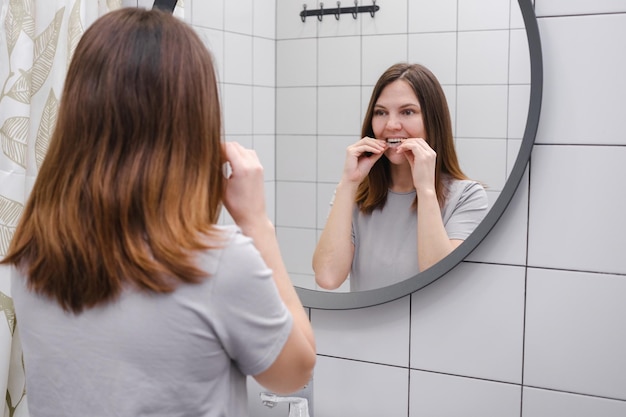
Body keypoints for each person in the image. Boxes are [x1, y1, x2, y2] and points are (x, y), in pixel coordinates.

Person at [1, 8, 315, 417]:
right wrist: (256, 223)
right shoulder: (215, 262)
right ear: (192, 124)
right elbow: (294, 372)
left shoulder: (33, 252)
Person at [312, 63, 489, 292]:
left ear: (432, 120)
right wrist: (348, 184)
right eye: (381, 112)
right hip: (367, 327)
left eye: (407, 112)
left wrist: (425, 189)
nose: (391, 125)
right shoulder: (353, 195)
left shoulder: (468, 197)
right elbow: (327, 277)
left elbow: (442, 285)